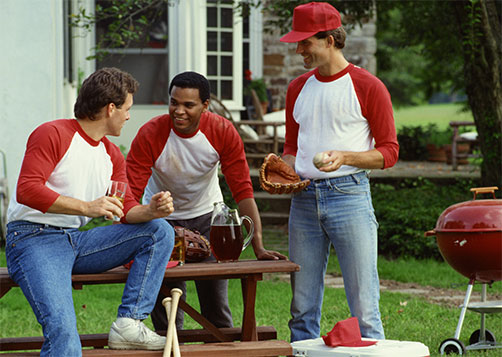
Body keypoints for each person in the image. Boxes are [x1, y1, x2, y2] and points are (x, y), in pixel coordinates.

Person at [5, 67, 176, 355]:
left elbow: (127, 209)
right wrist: (86, 207)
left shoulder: (111, 154)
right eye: (127, 108)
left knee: (158, 231)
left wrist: (151, 210)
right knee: (63, 332)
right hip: (32, 239)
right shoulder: (53, 133)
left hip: (76, 241)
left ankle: (129, 322)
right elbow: (27, 189)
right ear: (111, 108)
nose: (128, 116)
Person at [126, 71, 287, 331]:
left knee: (215, 308)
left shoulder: (222, 131)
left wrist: (258, 245)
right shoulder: (151, 133)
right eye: (174, 102)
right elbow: (130, 192)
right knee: (166, 308)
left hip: (207, 220)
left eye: (188, 105)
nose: (179, 111)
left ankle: (220, 348)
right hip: (161, 222)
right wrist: (134, 230)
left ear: (205, 105)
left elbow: (242, 190)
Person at [279, 2, 399, 342]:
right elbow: (292, 147)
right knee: (301, 306)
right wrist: (283, 168)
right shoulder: (296, 88)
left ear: (330, 39)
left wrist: (345, 156)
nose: (299, 50)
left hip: (350, 196)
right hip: (302, 201)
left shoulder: (368, 86)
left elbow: (389, 152)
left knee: (364, 303)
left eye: (306, 42)